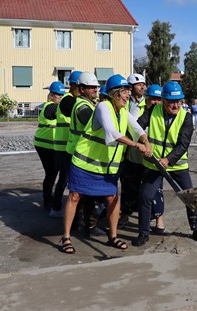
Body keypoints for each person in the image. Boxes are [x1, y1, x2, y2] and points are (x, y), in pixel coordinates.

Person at [60, 74, 151, 254]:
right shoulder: (103, 106)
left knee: (112, 198)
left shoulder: (123, 111)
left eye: (128, 92)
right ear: (115, 93)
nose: (127, 96)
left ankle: (113, 236)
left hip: (106, 166)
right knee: (75, 197)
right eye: (125, 92)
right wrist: (136, 145)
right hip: (85, 163)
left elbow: (137, 129)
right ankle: (66, 237)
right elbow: (111, 132)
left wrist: (145, 141)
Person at [133, 81, 197, 246]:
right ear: (163, 100)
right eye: (171, 102)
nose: (175, 105)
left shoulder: (186, 117)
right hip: (153, 165)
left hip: (177, 166)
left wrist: (168, 160)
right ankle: (143, 233)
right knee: (145, 197)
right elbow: (137, 127)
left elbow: (183, 144)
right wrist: (141, 143)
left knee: (191, 198)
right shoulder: (153, 110)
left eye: (178, 101)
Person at [64, 72, 106, 237]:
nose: (95, 90)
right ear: (81, 89)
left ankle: (81, 223)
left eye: (95, 87)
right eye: (91, 87)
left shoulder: (86, 103)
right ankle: (86, 225)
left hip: (78, 153)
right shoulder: (82, 106)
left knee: (81, 194)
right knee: (84, 194)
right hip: (80, 155)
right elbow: (95, 125)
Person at [119, 84, 166, 232]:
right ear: (147, 99)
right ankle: (125, 214)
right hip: (135, 157)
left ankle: (159, 218)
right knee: (130, 188)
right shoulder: (136, 110)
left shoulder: (162, 114)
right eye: (153, 99)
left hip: (153, 160)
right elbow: (131, 129)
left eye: (159, 100)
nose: (156, 103)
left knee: (156, 190)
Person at [50, 70, 83, 218]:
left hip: (68, 146)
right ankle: (56, 208)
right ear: (74, 85)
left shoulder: (73, 100)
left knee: (65, 178)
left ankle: (57, 206)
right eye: (80, 86)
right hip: (64, 147)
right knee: (64, 179)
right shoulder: (68, 100)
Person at [119, 73, 148, 223]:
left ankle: (148, 215)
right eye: (138, 84)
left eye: (143, 84)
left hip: (145, 149)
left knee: (146, 187)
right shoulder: (125, 103)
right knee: (128, 185)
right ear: (130, 88)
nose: (142, 86)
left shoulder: (149, 103)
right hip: (128, 150)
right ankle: (125, 213)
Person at [33, 81, 66, 210]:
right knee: (51, 173)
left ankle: (51, 199)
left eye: (63, 95)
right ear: (51, 95)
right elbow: (58, 112)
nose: (61, 97)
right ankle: (47, 201)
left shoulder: (58, 106)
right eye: (58, 95)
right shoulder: (50, 107)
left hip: (53, 146)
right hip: (44, 146)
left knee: (55, 172)